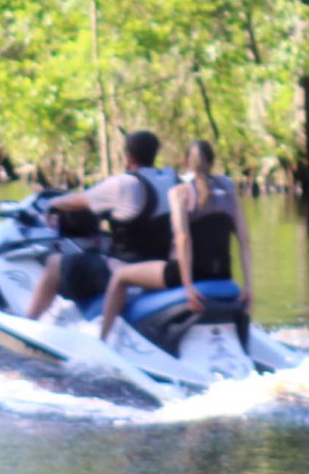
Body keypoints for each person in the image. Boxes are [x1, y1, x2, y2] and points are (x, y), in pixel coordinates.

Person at [98, 140, 253, 341]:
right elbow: (244, 239)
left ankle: (103, 340)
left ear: (186, 162)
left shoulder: (180, 193)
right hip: (223, 274)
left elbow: (183, 239)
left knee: (120, 276)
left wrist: (188, 287)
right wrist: (248, 287)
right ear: (213, 162)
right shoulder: (228, 190)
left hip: (181, 276)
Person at [23, 130, 177, 320]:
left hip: (125, 270)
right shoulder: (170, 181)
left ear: (128, 157)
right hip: (157, 270)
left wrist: (52, 204)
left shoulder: (124, 184)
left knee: (55, 263)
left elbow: (77, 201)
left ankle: (28, 322)